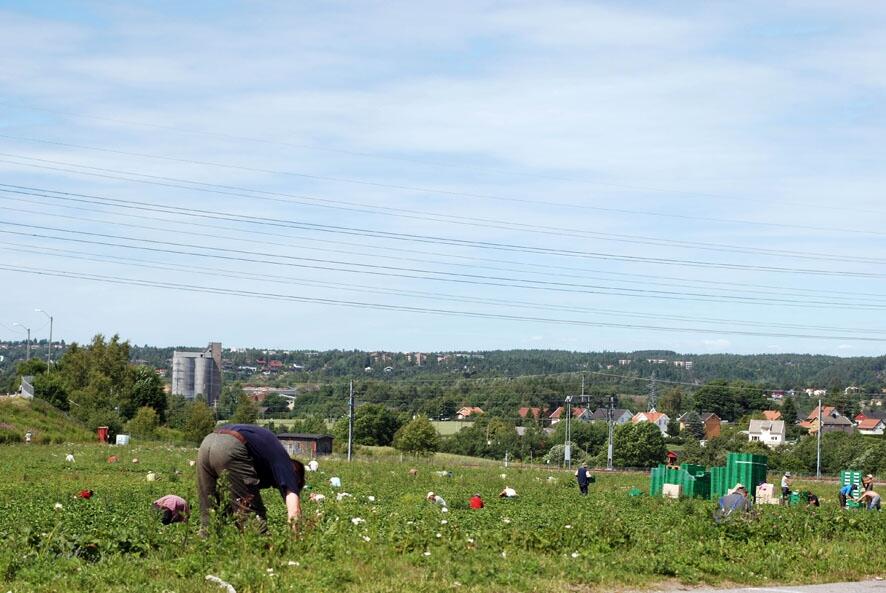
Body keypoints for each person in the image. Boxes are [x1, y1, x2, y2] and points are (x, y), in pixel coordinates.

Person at [197, 424, 304, 534]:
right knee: (250, 514)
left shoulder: (266, 454)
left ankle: (204, 545)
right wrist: (297, 541)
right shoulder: (288, 467)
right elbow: (294, 510)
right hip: (230, 445)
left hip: (207, 442)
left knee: (209, 512)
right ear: (297, 477)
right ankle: (262, 548)